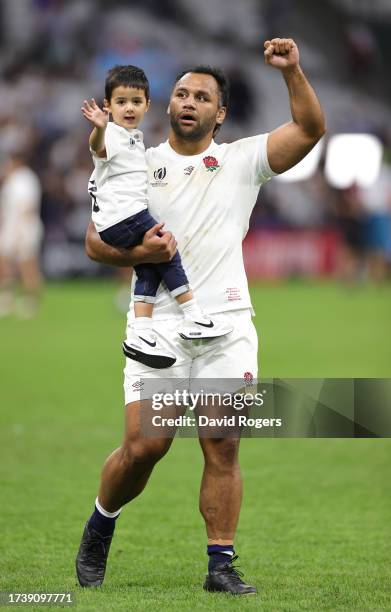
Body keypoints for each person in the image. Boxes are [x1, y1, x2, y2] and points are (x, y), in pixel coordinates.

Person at [76, 38, 326, 594]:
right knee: (146, 448)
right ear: (169, 106)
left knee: (223, 441)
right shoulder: (135, 163)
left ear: (221, 113)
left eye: (202, 96)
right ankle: (100, 522)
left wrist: (293, 72)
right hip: (159, 325)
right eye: (182, 93)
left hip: (226, 325)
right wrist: (141, 254)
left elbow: (309, 130)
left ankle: (221, 563)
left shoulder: (243, 160)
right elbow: (94, 242)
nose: (188, 101)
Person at [82, 65, 232, 369]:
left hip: (117, 220)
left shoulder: (134, 138)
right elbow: (98, 149)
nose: (129, 108)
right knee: (167, 251)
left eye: (136, 102)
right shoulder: (111, 133)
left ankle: (140, 333)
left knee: (148, 268)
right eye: (121, 102)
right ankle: (194, 317)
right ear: (108, 105)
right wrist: (99, 127)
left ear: (148, 105)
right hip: (125, 218)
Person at [0, 152, 43, 318]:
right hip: (10, 227)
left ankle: (31, 301)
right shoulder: (12, 179)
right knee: (4, 263)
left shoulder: (26, 179)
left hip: (25, 228)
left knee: (27, 265)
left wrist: (19, 231)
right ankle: (7, 297)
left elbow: (27, 207)